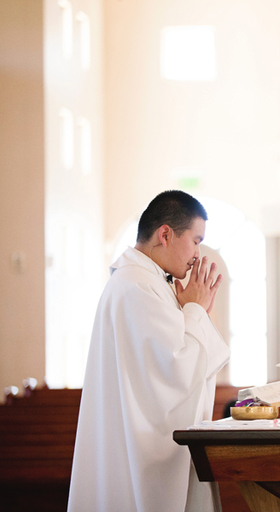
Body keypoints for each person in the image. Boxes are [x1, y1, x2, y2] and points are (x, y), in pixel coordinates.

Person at [68, 191, 230, 512]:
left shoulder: (145, 281)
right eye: (196, 241)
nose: (197, 254)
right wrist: (195, 310)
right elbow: (175, 372)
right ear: (166, 234)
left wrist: (192, 311)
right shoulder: (139, 285)